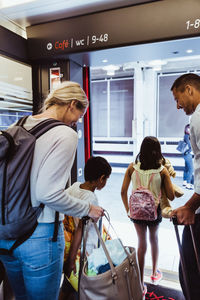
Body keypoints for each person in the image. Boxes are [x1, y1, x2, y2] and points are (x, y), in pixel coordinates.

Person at [0, 81, 104, 300]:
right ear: (72, 104)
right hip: (40, 235)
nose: (77, 121)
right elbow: (48, 193)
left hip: (7, 233)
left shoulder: (19, 124)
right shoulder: (65, 134)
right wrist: (88, 209)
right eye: (80, 114)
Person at [121, 136, 174, 295]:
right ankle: (155, 273)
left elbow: (123, 192)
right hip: (153, 212)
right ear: (158, 152)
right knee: (154, 239)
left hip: (136, 212)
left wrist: (128, 210)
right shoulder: (162, 171)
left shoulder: (132, 168)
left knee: (141, 243)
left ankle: (140, 282)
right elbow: (171, 196)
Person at [59, 156, 112, 300]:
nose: (106, 182)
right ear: (101, 178)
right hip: (82, 252)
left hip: (69, 247)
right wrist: (71, 260)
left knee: (67, 285)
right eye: (106, 179)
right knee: (84, 288)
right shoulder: (91, 200)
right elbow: (81, 230)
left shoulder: (75, 186)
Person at [171, 73, 200, 299]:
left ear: (189, 89)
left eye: (178, 98)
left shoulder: (198, 118)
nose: (178, 105)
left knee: (190, 273)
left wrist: (190, 206)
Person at [182, 124, 194, 190]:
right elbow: (190, 146)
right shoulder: (187, 136)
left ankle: (185, 181)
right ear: (186, 129)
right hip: (187, 154)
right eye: (188, 128)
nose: (189, 130)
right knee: (191, 169)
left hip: (186, 154)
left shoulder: (187, 136)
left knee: (186, 168)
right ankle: (189, 184)